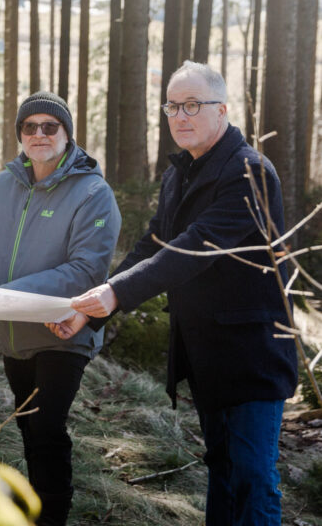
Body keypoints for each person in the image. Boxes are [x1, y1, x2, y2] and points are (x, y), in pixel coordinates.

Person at [51, 61, 298, 525]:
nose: (180, 116)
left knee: (252, 480)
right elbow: (154, 245)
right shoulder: (178, 173)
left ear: (222, 110)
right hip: (206, 356)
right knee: (222, 473)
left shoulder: (250, 172)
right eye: (171, 106)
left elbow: (194, 248)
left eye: (192, 105)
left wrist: (116, 294)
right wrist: (96, 305)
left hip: (252, 356)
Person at [0, 91, 121, 526]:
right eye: (30, 127)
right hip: (12, 332)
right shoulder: (2, 185)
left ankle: (53, 515)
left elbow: (87, 269)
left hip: (63, 332)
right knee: (28, 425)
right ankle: (35, 505)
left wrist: (7, 293)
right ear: (20, 136)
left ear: (67, 135)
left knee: (48, 428)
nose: (39, 134)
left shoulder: (93, 192)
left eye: (51, 126)